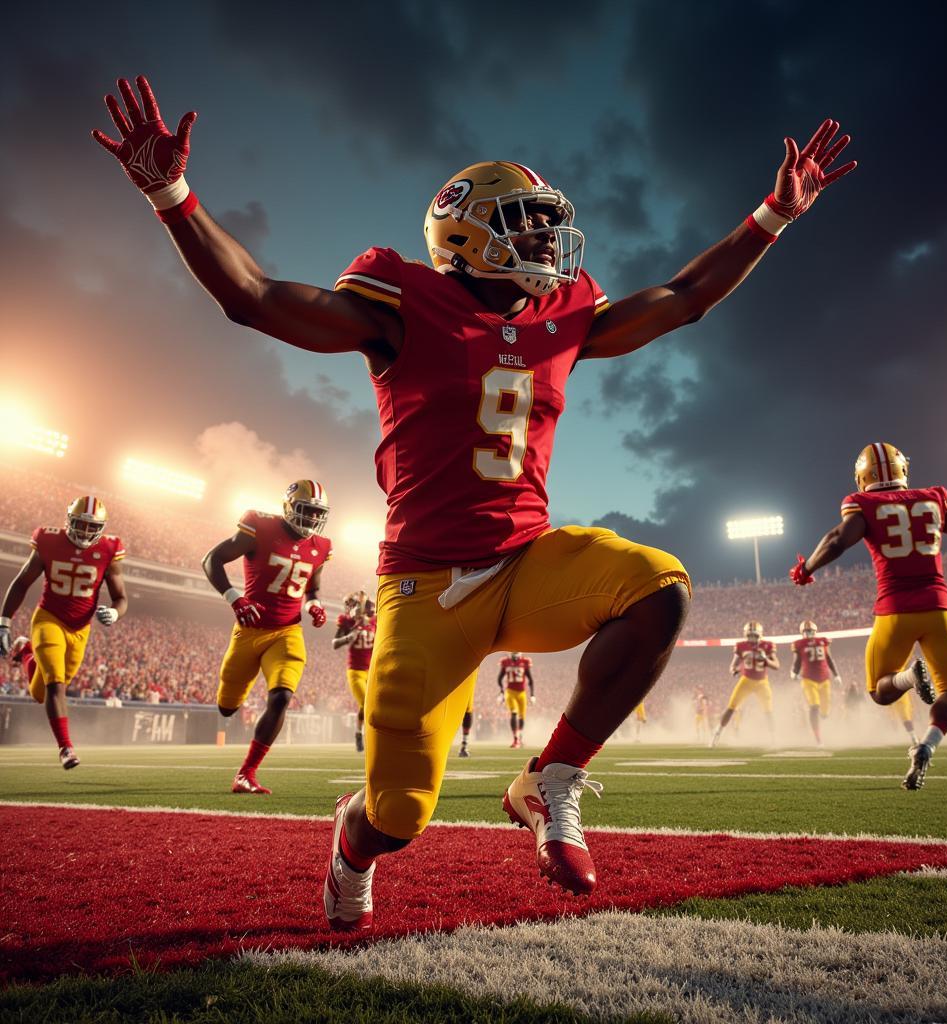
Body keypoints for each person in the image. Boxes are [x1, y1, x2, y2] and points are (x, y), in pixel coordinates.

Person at [95, 75, 855, 928]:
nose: (549, 236)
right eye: (525, 222)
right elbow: (258, 300)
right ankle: (351, 845)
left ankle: (550, 779)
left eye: (547, 220)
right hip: (426, 589)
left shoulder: (564, 308)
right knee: (399, 817)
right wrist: (172, 195)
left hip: (528, 559)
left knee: (658, 586)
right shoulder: (403, 298)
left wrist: (773, 217)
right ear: (466, 234)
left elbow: (682, 301)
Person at [791, 442, 947, 789]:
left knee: (881, 691)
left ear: (862, 477)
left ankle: (909, 679)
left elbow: (839, 539)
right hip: (939, 608)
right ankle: (927, 745)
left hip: (894, 610)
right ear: (902, 471)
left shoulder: (862, 503)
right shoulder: (933, 498)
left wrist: (806, 567)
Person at [201, 481, 332, 794]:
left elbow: (311, 586)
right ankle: (232, 708)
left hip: (287, 632)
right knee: (227, 707)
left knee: (281, 697)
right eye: (306, 511)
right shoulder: (259, 525)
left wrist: (313, 603)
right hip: (249, 630)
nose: (312, 519)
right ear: (289, 507)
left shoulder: (322, 546)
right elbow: (212, 559)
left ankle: (247, 772)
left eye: (318, 513)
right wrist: (235, 597)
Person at [0, 497, 127, 769]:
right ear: (69, 521)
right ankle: (66, 748)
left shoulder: (108, 549)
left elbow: (121, 597)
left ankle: (26, 653)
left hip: (80, 628)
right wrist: (4, 621)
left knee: (43, 693)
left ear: (101, 528)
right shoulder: (49, 540)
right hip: (49, 618)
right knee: (56, 683)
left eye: (91, 526)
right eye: (79, 524)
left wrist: (115, 612)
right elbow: (22, 582)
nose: (84, 531)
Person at [710, 622, 779, 747]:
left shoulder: (767, 646)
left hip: (762, 682)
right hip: (746, 681)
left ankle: (773, 737)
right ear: (746, 635)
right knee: (731, 707)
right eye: (750, 635)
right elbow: (733, 665)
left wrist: (766, 660)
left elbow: (776, 665)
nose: (752, 638)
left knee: (768, 711)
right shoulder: (741, 646)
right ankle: (717, 733)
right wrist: (734, 670)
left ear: (760, 635)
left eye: (755, 635)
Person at [333, 591, 376, 753]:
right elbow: (335, 643)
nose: (350, 608)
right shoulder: (346, 621)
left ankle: (358, 732)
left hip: (372, 672)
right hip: (356, 671)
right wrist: (349, 637)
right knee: (367, 704)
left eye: (354, 604)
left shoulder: (374, 620)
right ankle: (367, 737)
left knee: (367, 705)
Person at [790, 619, 841, 747]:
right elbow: (797, 661)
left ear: (815, 631)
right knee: (814, 706)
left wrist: (836, 675)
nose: (808, 633)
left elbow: (828, 658)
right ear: (802, 632)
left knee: (824, 713)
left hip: (824, 680)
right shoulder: (799, 644)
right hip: (808, 679)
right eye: (806, 631)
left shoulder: (822, 641)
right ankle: (818, 739)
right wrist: (794, 672)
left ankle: (823, 720)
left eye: (810, 631)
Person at [498, 651, 535, 748]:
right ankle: (515, 739)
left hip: (522, 693)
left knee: (522, 717)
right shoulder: (505, 661)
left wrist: (532, 695)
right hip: (510, 692)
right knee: (514, 713)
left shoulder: (525, 661)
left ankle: (520, 737)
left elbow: (530, 679)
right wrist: (501, 692)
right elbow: (499, 678)